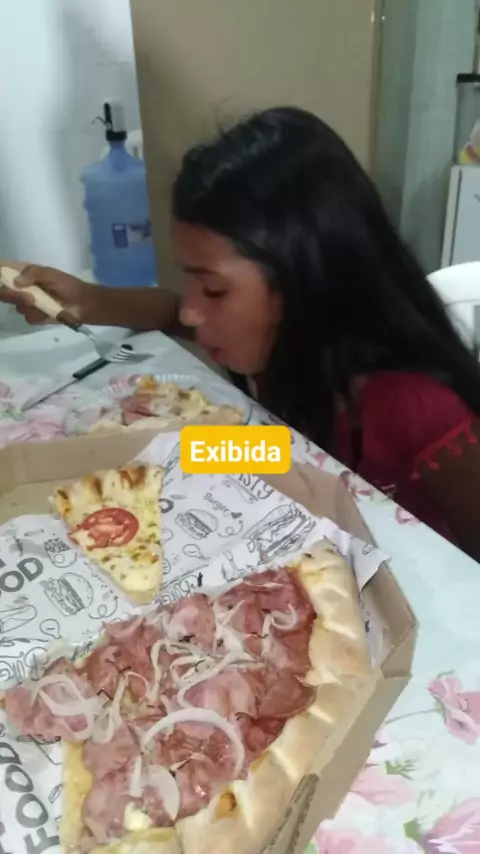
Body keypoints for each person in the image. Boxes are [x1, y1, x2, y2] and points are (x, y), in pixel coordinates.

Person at [2, 106, 480, 559]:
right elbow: (171, 314)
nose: (192, 311)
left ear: (302, 284)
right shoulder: (288, 346)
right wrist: (89, 301)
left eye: (213, 289)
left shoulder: (419, 409)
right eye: (190, 281)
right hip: (288, 470)